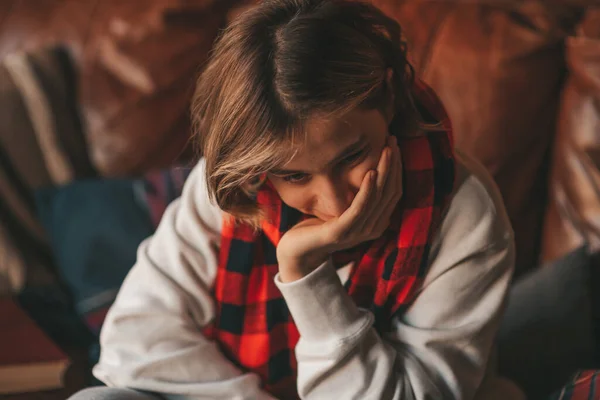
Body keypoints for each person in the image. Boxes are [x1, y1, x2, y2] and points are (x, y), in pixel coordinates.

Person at [69, 0, 525, 399]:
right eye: (294, 175)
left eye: (352, 154)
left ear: (387, 97)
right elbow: (133, 339)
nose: (334, 202)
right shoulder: (236, 183)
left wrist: (306, 275)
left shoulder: (465, 215)